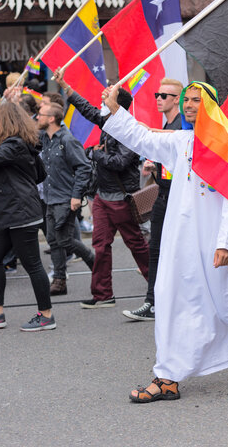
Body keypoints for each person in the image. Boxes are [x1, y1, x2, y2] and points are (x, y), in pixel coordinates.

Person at [100, 80, 228, 402]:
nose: (188, 105)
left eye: (195, 100)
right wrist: (115, 107)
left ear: (212, 106)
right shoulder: (183, 141)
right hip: (182, 242)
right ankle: (167, 377)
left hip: (219, 245)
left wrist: (225, 243)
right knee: (171, 299)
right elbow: (142, 137)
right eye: (186, 100)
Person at [54, 68, 149, 309]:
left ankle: (160, 287)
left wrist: (95, 155)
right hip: (102, 199)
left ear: (118, 106)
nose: (101, 104)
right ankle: (103, 294)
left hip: (121, 199)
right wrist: (66, 86)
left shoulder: (128, 130)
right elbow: (86, 109)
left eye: (106, 100)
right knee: (100, 245)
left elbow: (120, 162)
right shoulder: (108, 123)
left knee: (136, 244)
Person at [0, 102, 55, 331]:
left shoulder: (16, 144)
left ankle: (46, 315)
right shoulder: (19, 143)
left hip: (21, 213)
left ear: (6, 121)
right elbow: (39, 174)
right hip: (11, 212)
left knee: (33, 264)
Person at [122, 78, 183, 321]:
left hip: (178, 197)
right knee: (155, 249)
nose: (159, 98)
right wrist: (155, 164)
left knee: (184, 251)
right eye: (158, 94)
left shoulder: (181, 125)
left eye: (165, 95)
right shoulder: (166, 123)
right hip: (163, 195)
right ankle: (152, 302)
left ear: (176, 99)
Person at [37, 102, 93, 296]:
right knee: (53, 240)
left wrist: (76, 195)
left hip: (65, 198)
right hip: (50, 198)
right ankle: (59, 281)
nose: (38, 117)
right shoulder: (44, 138)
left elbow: (84, 167)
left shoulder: (67, 140)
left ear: (51, 119)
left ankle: (96, 266)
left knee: (65, 240)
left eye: (41, 114)